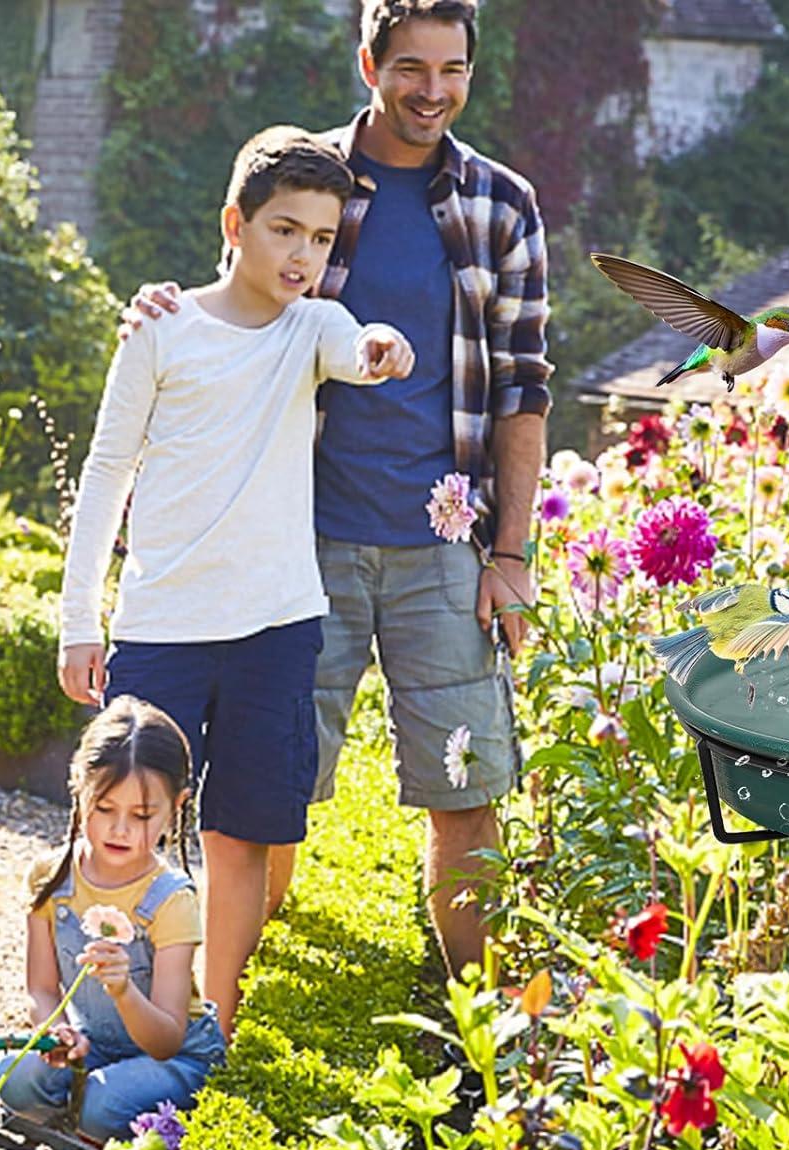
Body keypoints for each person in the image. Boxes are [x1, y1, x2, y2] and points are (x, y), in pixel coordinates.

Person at [129, 0, 551, 980]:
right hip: (292, 548)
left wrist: (513, 555)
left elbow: (525, 386)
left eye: (454, 71)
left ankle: (469, 1014)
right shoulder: (307, 179)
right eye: (412, 68)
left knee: (468, 793)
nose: (432, 91)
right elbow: (229, 325)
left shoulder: (501, 204)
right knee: (263, 796)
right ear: (369, 60)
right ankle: (245, 1002)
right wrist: (160, 311)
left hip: (444, 551)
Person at [61, 127, 415, 1036]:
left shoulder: (315, 329)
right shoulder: (161, 329)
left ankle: (212, 1021)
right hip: (161, 622)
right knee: (128, 822)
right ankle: (106, 1013)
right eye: (285, 231)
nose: (304, 255)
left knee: (245, 829)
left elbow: (361, 343)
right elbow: (105, 471)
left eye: (324, 239)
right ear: (236, 223)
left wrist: (384, 346)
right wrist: (79, 620)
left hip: (274, 625)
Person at [0, 698, 225, 1141]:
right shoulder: (51, 877)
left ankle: (104, 1131)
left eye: (141, 815)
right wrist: (53, 1031)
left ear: (177, 805)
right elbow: (40, 989)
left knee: (101, 1106)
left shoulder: (171, 899)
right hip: (91, 1046)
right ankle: (69, 1130)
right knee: (10, 1082)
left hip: (172, 1057)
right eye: (104, 808)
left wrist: (123, 989)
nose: (119, 830)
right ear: (78, 789)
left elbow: (166, 1040)